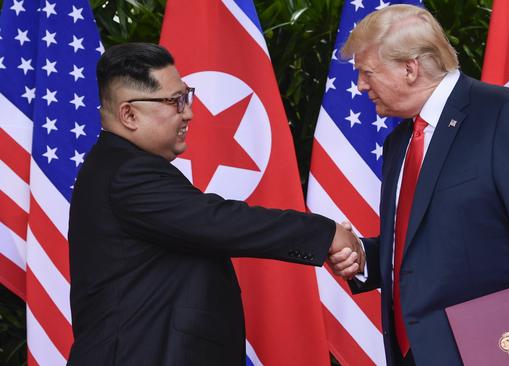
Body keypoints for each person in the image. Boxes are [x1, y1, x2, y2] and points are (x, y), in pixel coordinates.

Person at [67, 42, 360, 365]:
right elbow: (219, 221)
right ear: (129, 114)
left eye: (186, 96)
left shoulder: (118, 165)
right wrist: (326, 233)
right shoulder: (128, 173)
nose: (189, 112)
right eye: (175, 101)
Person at [328, 5, 509, 366]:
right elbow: (431, 243)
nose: (360, 85)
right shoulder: (399, 141)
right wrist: (362, 255)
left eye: (367, 72)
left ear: (410, 67)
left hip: (501, 353)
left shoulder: (504, 116)